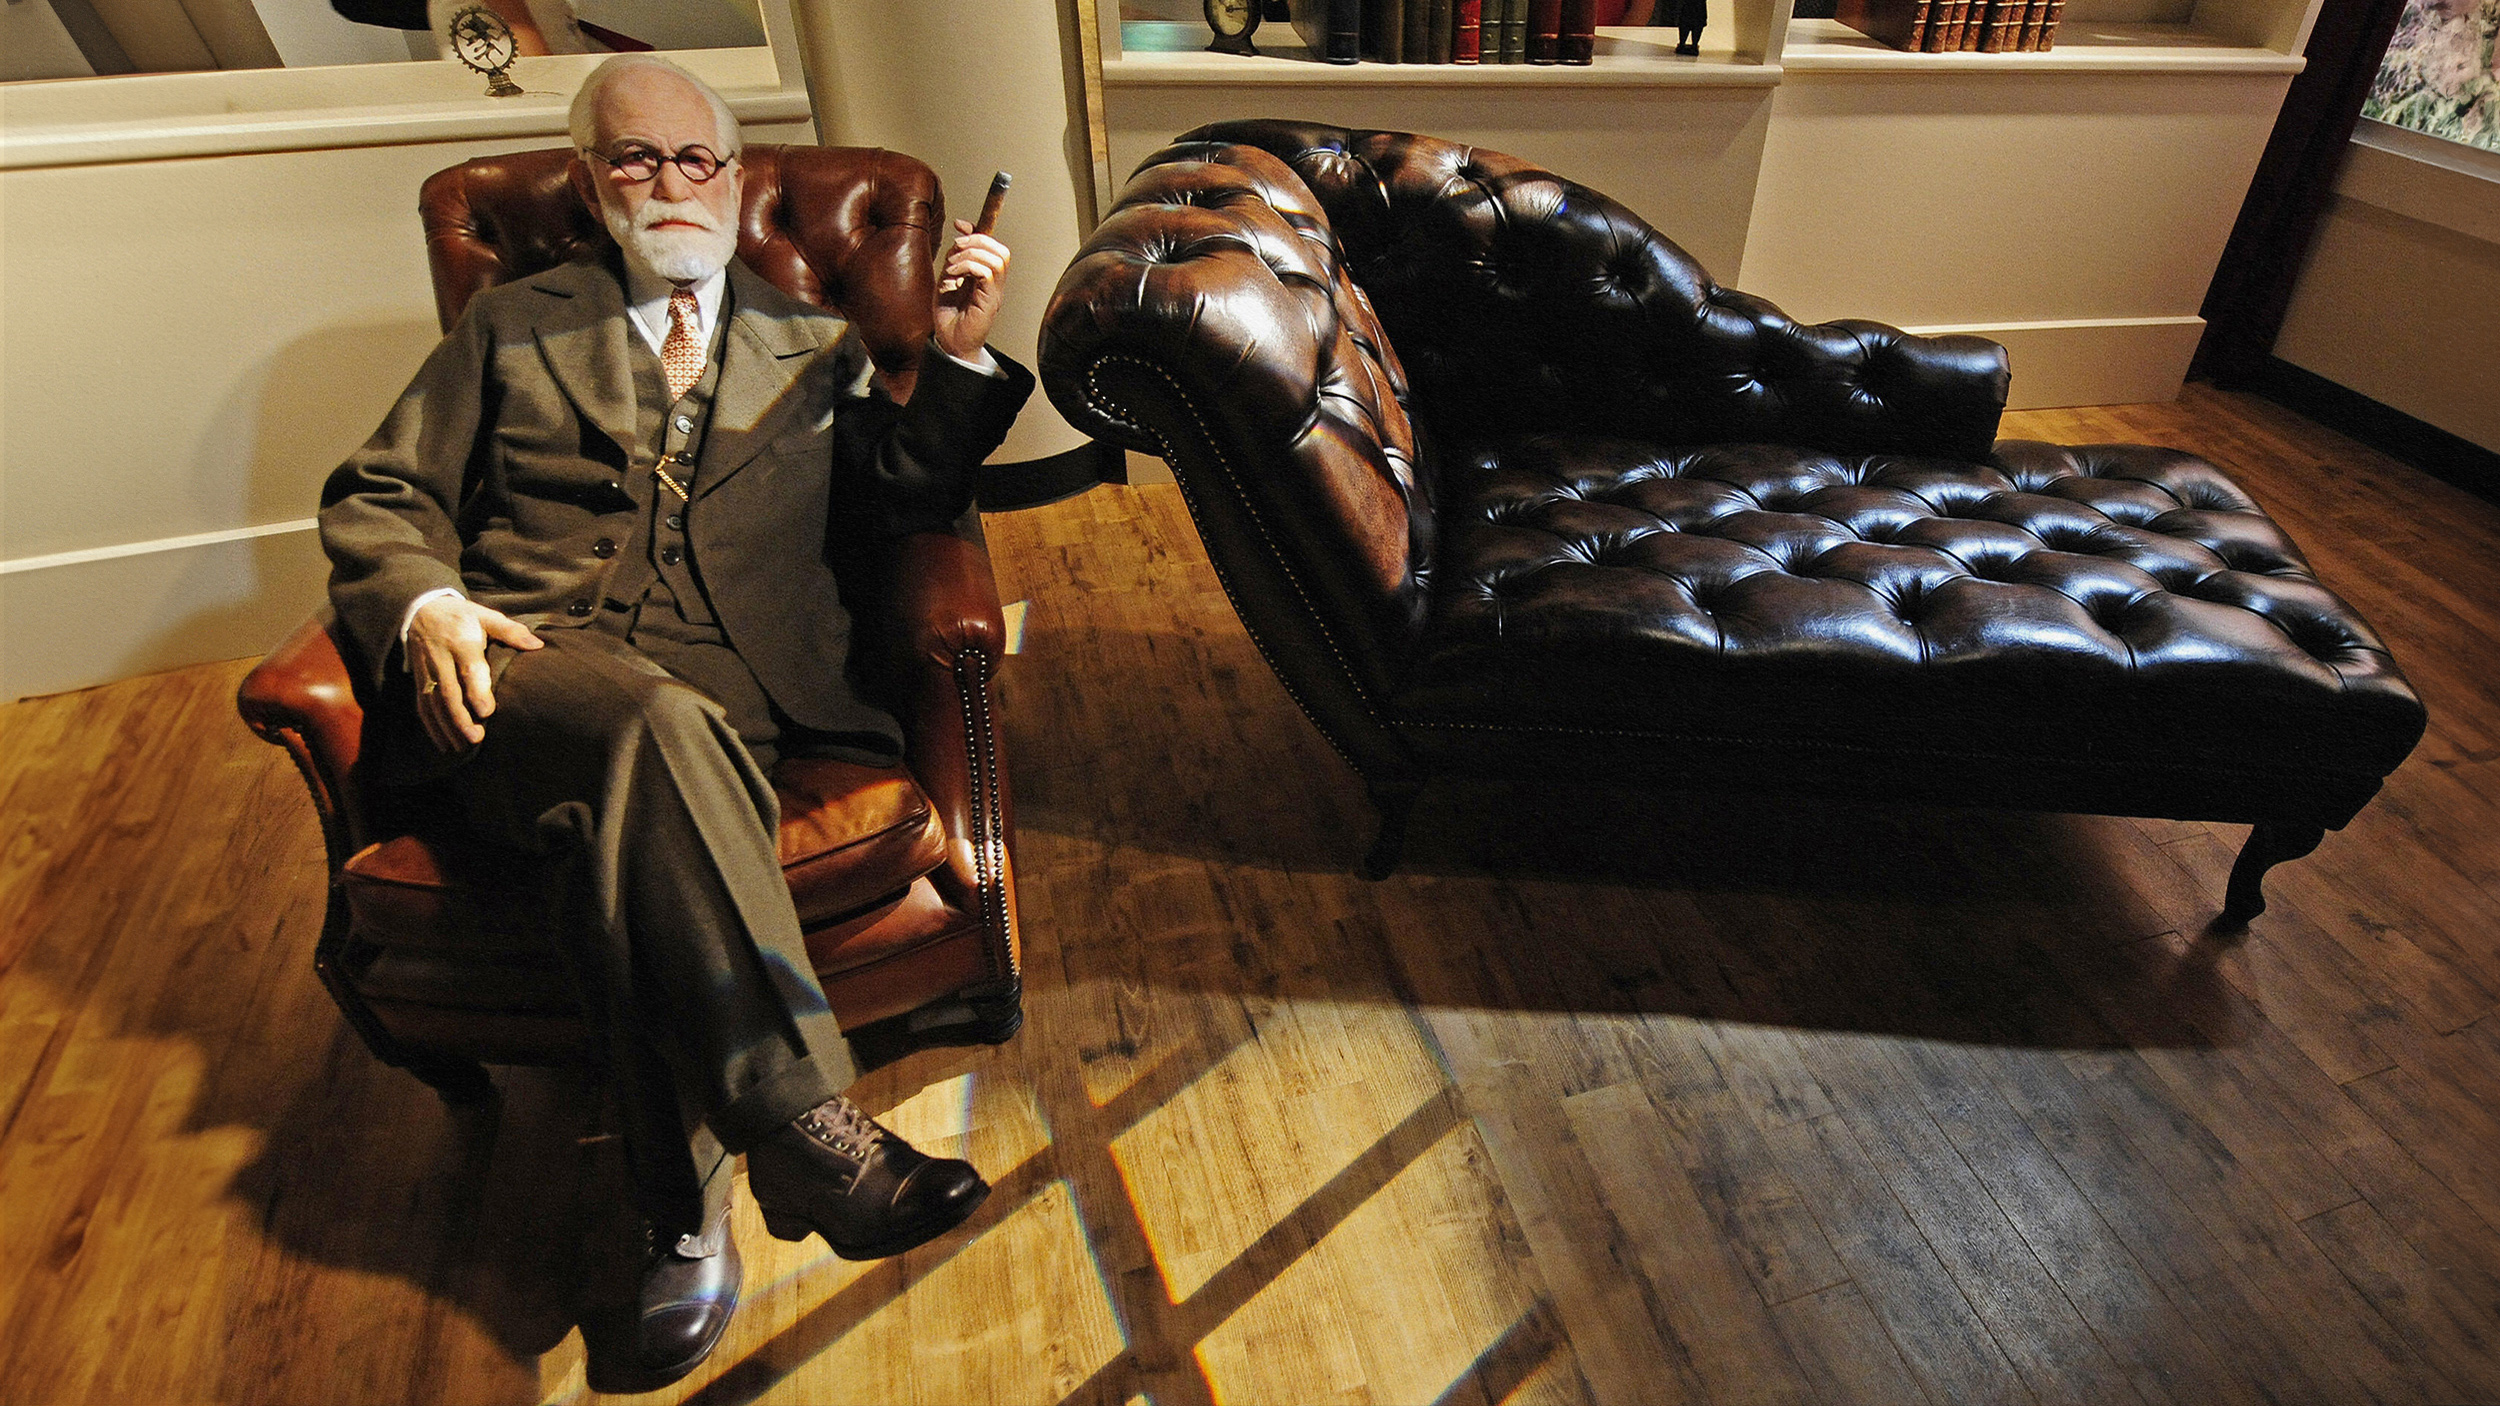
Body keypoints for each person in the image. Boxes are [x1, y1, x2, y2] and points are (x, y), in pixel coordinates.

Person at [317, 53, 1033, 1385]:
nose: (669, 182)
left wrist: (956, 349)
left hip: (731, 706)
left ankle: (674, 1210)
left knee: (629, 826)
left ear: (734, 175)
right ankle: (808, 1131)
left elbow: (902, 508)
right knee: (639, 724)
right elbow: (377, 493)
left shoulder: (811, 342)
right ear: (591, 184)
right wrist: (426, 608)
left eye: (694, 158)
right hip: (527, 675)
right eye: (634, 159)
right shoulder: (511, 328)